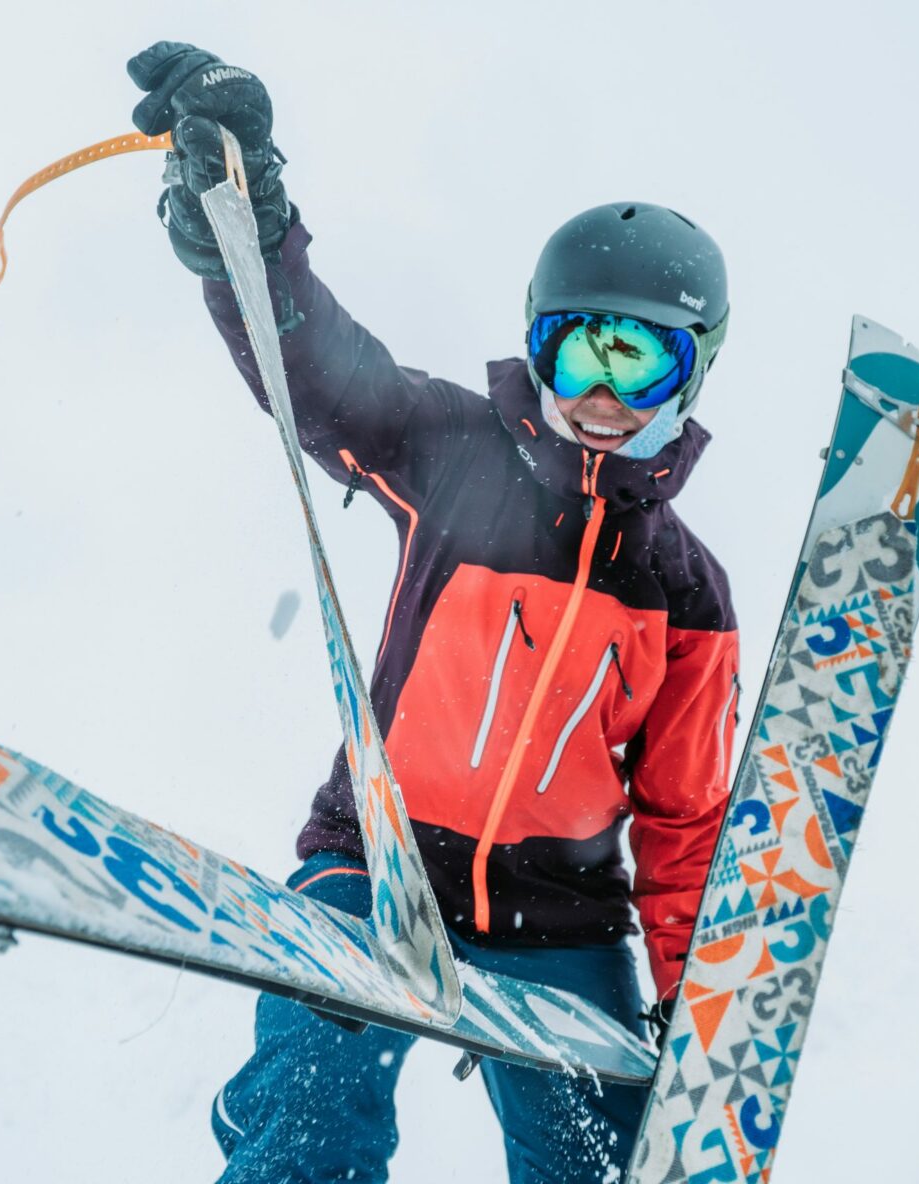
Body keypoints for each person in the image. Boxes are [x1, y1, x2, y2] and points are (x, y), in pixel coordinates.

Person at [127, 41, 741, 1184]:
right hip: (377, 858)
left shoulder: (686, 593)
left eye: (640, 363)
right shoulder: (459, 451)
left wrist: (701, 1007)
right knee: (311, 1108)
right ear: (541, 346)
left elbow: (684, 822)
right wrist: (248, 222)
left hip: (562, 919)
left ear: (690, 374)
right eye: (581, 351)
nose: (602, 396)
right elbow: (319, 373)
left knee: (591, 1161)